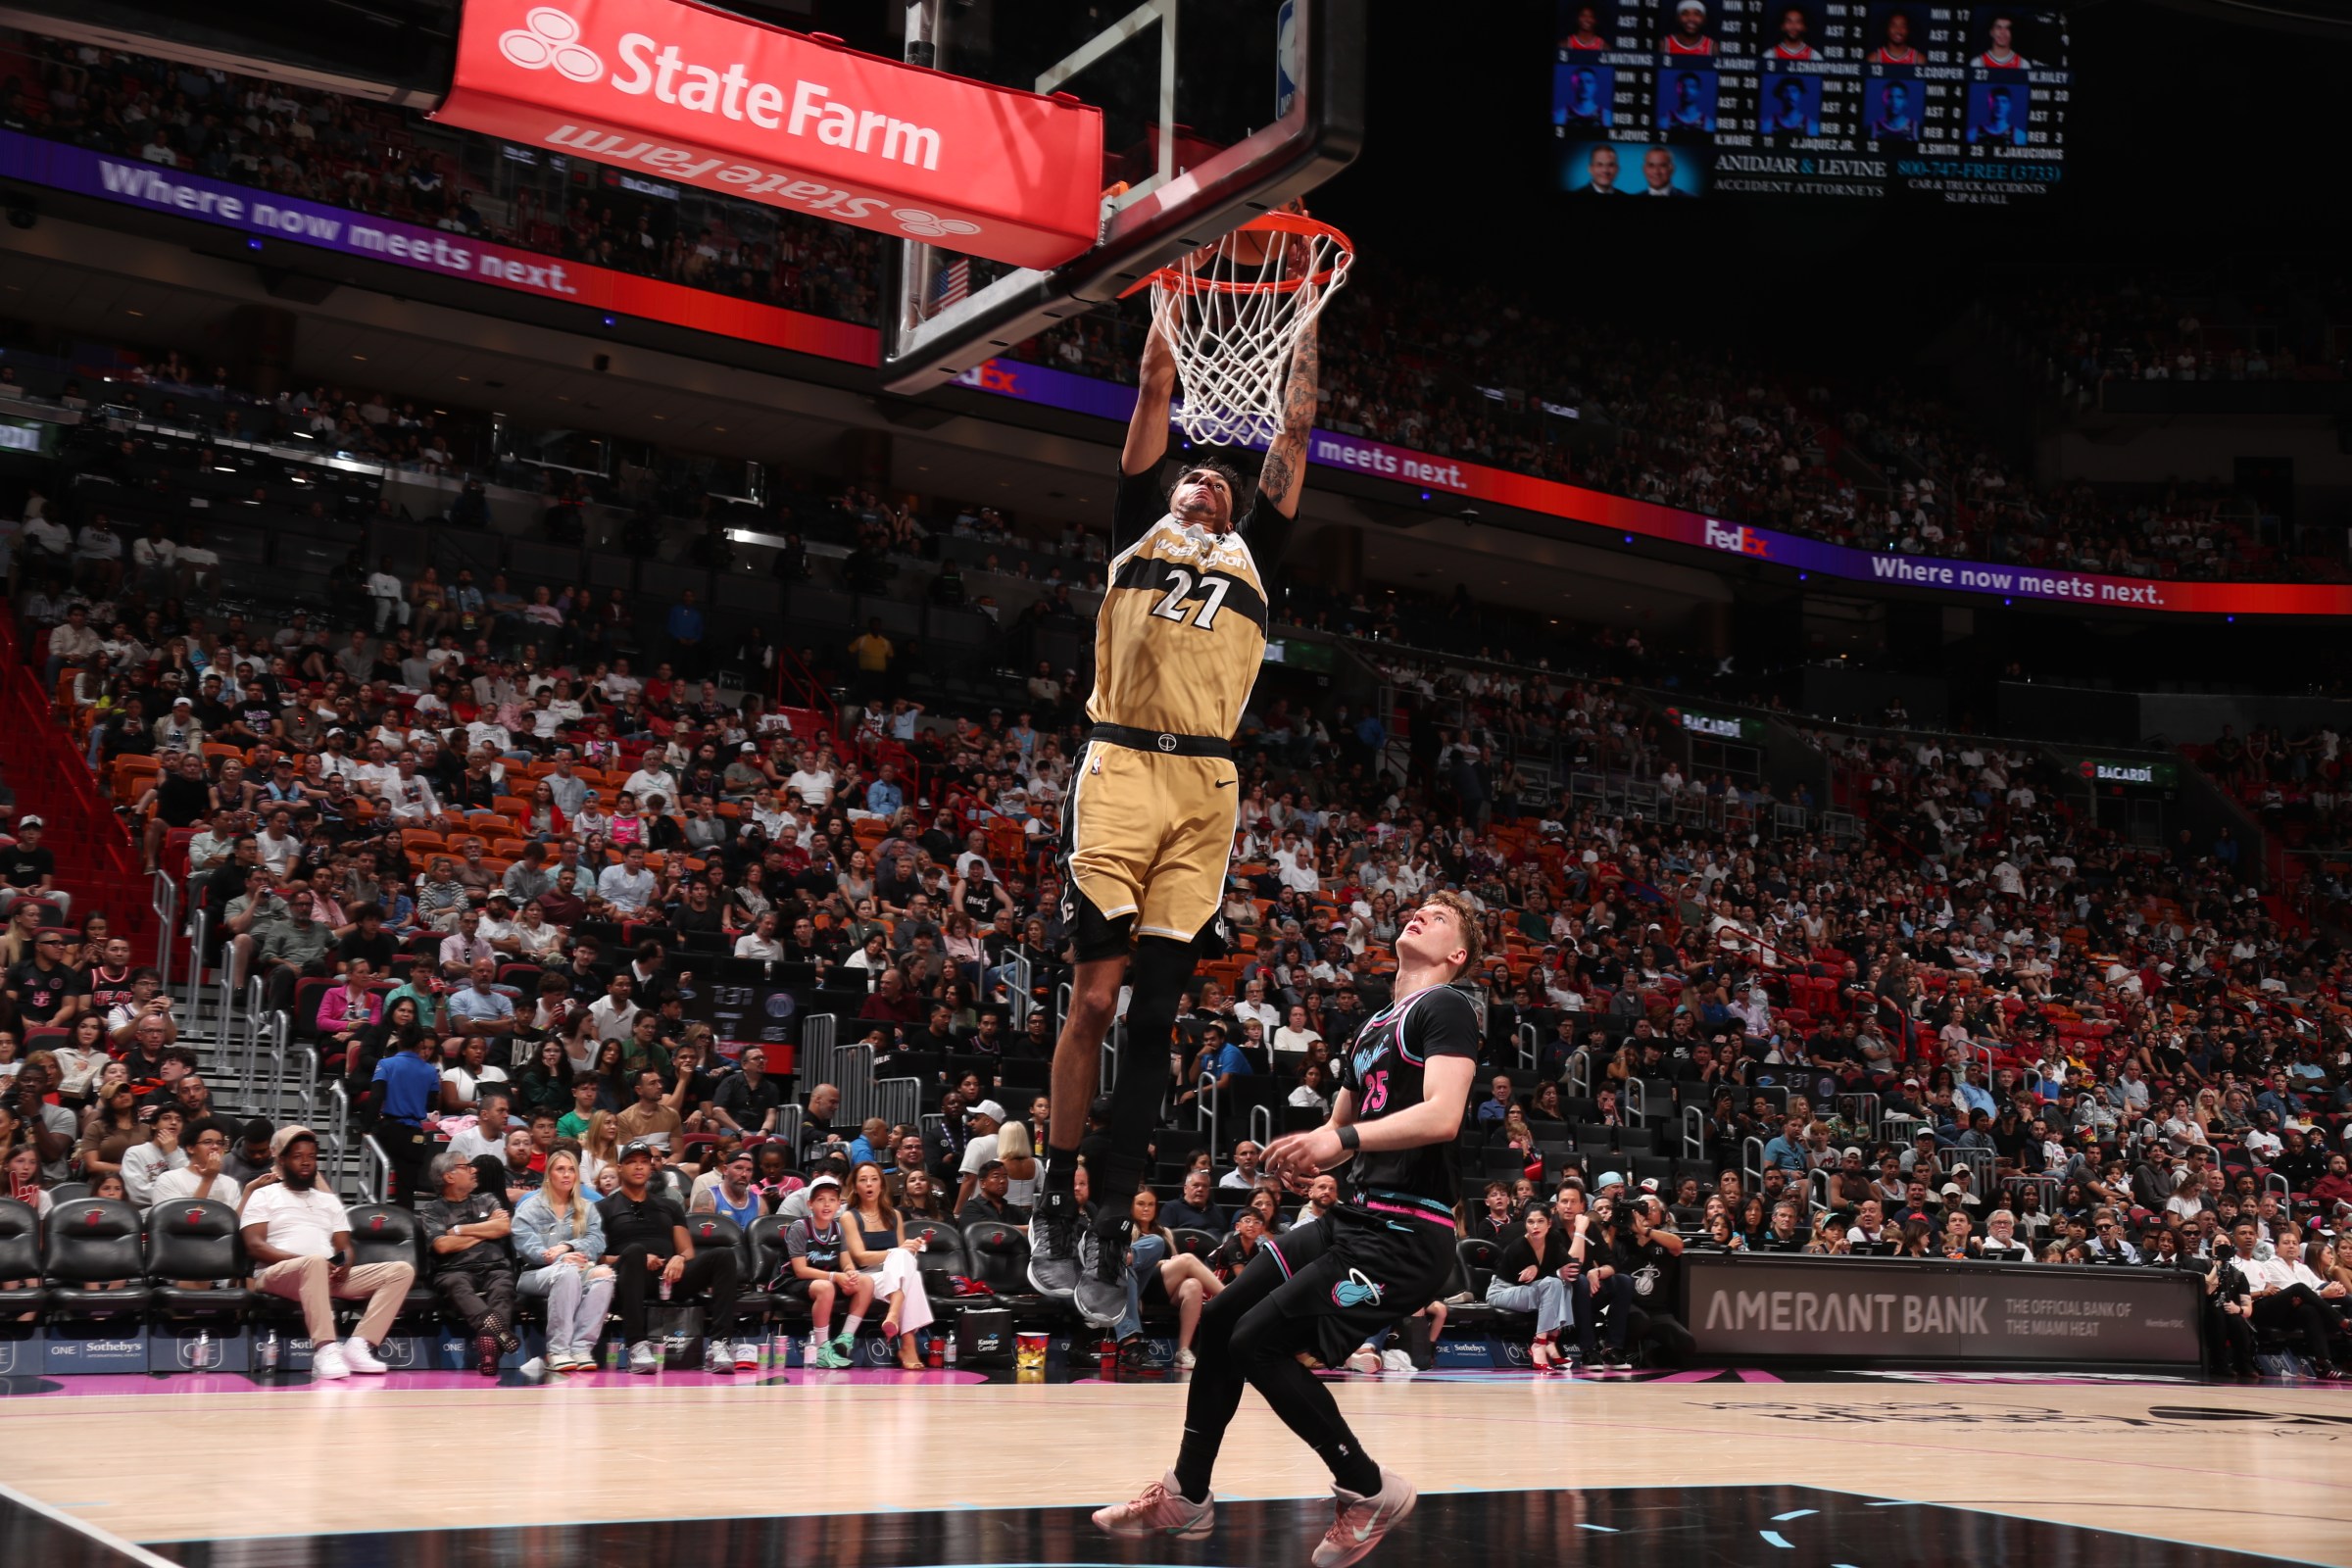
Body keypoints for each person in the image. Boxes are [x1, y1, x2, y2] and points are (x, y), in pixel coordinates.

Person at [1028, 254, 1318, 1298]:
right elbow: (1155, 385)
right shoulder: (1135, 526)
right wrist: (1172, 282)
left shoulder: (1254, 558)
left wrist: (1301, 317)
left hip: (1207, 789)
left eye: (1222, 483)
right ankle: (1054, 1193)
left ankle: (1112, 1218)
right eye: (1197, 474)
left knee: (1156, 1017)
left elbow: (1293, 432)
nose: (1209, 481)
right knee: (1094, 1003)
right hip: (1120, 765)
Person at [1095, 894, 1483, 1567]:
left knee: (1258, 1344)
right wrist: (1313, 1157)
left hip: (1406, 1236)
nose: (1420, 915)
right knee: (1219, 1323)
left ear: (1458, 955)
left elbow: (1442, 1114)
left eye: (1439, 917)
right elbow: (1339, 1132)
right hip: (1357, 1216)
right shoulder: (1372, 1028)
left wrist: (1342, 1138)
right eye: (1416, 909)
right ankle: (1188, 1492)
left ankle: (1368, 1489)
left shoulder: (1445, 1007)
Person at [239, 1126, 415, 1380]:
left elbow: (345, 1247)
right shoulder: (264, 1195)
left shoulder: (329, 1200)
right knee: (314, 1262)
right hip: (275, 1274)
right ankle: (325, 1350)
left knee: (400, 1271)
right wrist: (302, 1261)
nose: (306, 1162)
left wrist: (344, 1264)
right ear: (282, 1160)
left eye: (311, 1156)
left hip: (324, 1273)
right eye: (298, 1156)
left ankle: (360, 1344)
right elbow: (254, 1245)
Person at [600, 1140, 751, 1374]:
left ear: (651, 1168)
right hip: (631, 1277)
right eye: (631, 1162)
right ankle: (636, 1346)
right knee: (635, 1251)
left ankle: (719, 1345)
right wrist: (637, 1258)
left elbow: (688, 1251)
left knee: (723, 1255)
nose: (639, 1167)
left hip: (670, 1277)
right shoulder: (604, 1207)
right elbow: (598, 1258)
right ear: (620, 1168)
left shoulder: (669, 1205)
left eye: (644, 1162)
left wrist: (679, 1258)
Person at [1098, 1185, 1227, 1369]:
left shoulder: (1164, 1232)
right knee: (1187, 1259)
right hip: (1138, 1283)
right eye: (1141, 1204)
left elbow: (1173, 1257)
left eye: (1151, 1204)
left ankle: (1183, 1351)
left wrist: (1170, 1262)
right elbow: (1125, 1264)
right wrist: (1162, 1263)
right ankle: (1228, 1296)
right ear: (1131, 1206)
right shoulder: (1126, 1230)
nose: (1146, 1208)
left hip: (1164, 1284)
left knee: (1193, 1285)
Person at [513, 1149, 615, 1373]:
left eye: (571, 1170)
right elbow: (528, 1249)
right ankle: (557, 1350)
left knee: (606, 1275)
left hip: (577, 1269)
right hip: (534, 1273)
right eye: (561, 1169)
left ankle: (580, 1348)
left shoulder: (587, 1208)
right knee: (566, 1270)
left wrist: (569, 1246)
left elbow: (597, 1242)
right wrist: (560, 1257)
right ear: (549, 1175)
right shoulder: (529, 1207)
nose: (567, 1175)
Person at [418, 1151, 520, 1376]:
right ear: (449, 1176)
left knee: (503, 1285)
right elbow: (442, 1246)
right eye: (466, 1166)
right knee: (457, 1285)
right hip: (453, 1270)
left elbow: (503, 1227)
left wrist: (459, 1230)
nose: (474, 1170)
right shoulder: (432, 1210)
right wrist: (486, 1231)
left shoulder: (487, 1199)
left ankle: (488, 1341)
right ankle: (497, 1332)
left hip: (494, 1266)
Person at [841, 1160, 936, 1371]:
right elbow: (861, 1257)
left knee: (908, 1266)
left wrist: (912, 1246)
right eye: (863, 1180)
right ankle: (907, 1343)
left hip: (892, 1275)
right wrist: (899, 1251)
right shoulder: (849, 1216)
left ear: (882, 1185)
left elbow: (902, 1252)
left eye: (874, 1179)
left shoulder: (895, 1215)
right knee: (909, 1272)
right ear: (855, 1186)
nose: (869, 1184)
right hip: (866, 1277)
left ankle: (895, 1319)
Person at [776, 1173, 877, 1368]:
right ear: (810, 1204)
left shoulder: (838, 1229)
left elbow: (846, 1263)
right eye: (820, 1200)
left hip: (827, 1278)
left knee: (866, 1282)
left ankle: (844, 1339)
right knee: (826, 1287)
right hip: (793, 1280)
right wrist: (835, 1276)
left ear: (839, 1205)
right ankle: (822, 1349)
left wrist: (850, 1273)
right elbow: (800, 1270)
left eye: (832, 1200)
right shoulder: (799, 1228)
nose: (826, 1205)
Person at [1484, 1200, 1585, 1369]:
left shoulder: (1553, 1238)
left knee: (1564, 1283)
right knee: (1554, 1283)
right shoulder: (1519, 1247)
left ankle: (1552, 1342)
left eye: (1540, 1221)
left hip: (1531, 1289)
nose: (1535, 1226)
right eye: (1530, 1222)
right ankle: (1539, 1344)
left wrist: (1579, 1234)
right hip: (1501, 1292)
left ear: (1549, 1223)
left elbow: (1572, 1265)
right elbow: (1526, 1281)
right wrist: (1551, 1272)